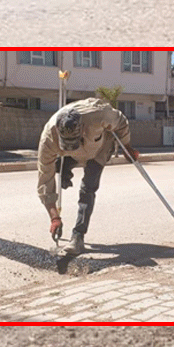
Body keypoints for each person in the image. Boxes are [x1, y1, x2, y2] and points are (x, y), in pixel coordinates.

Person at [36, 98, 139, 254]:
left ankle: (78, 236)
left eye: (74, 141)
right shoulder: (48, 139)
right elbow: (45, 181)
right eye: (67, 143)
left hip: (100, 148)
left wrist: (126, 146)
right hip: (69, 155)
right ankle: (65, 171)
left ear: (82, 128)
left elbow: (121, 121)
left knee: (87, 189)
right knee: (58, 168)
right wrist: (54, 217)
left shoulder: (98, 114)